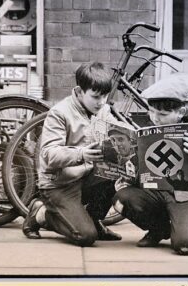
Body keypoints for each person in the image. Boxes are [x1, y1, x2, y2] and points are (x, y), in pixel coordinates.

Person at [113, 73, 188, 256]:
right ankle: (160, 229)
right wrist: (130, 176)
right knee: (122, 199)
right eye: (151, 111)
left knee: (186, 245)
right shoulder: (149, 130)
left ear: (181, 112)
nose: (155, 118)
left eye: (163, 114)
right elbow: (148, 167)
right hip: (159, 192)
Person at [22, 62, 124, 246]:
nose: (101, 102)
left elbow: (117, 132)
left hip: (86, 177)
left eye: (105, 96)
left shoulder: (102, 110)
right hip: (58, 184)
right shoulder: (59, 113)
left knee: (116, 174)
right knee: (85, 236)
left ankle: (93, 220)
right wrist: (82, 154)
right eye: (96, 96)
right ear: (79, 91)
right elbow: (49, 154)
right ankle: (40, 214)